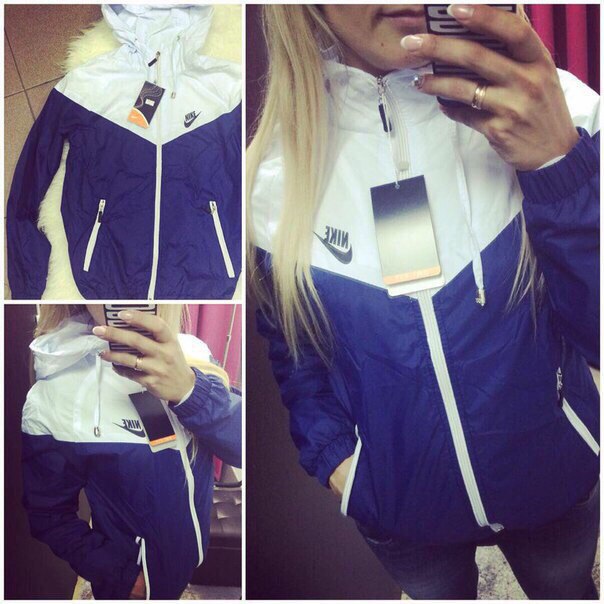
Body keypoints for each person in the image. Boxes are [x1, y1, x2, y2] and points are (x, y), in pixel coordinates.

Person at [248, 4, 599, 600]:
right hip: (404, 515)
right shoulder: (269, 180)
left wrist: (559, 167)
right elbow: (296, 351)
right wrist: (340, 464)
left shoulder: (566, 113)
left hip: (554, 479)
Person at [21, 305, 241, 599]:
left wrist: (190, 391)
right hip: (130, 586)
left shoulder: (192, 352)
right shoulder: (54, 394)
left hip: (188, 559)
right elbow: (48, 514)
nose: (127, 291)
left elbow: (242, 448)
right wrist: (124, 577)